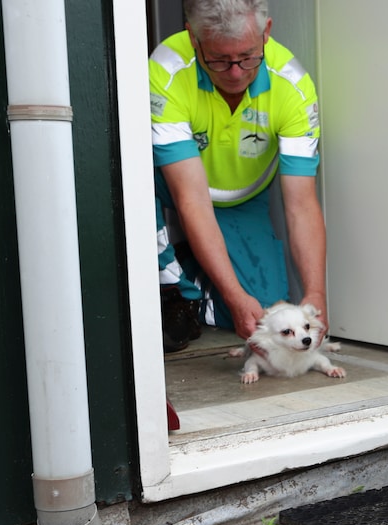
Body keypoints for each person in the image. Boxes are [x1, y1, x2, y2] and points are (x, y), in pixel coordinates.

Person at [150, 0, 328, 352]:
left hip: (239, 199)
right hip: (172, 185)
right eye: (218, 59)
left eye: (248, 57)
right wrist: (232, 293)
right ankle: (173, 290)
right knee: (126, 186)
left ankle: (192, 268)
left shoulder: (293, 85)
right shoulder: (165, 70)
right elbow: (191, 199)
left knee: (264, 319)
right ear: (193, 37)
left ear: (266, 32)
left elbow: (301, 205)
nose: (235, 73)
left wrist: (316, 294)